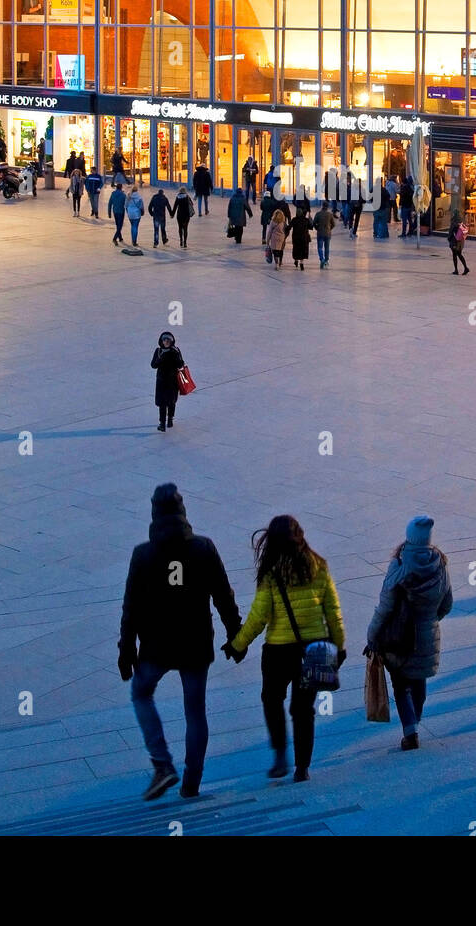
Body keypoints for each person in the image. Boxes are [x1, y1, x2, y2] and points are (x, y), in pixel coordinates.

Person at [118, 484, 242, 800]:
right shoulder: (204, 548)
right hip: (195, 642)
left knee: (141, 693)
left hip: (156, 644)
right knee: (195, 710)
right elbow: (223, 596)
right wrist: (235, 635)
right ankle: (191, 783)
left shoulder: (143, 554)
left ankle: (162, 765)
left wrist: (126, 649)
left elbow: (131, 606)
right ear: (183, 511)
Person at [226, 516, 346, 783]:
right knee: (304, 711)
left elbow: (259, 616)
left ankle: (280, 754)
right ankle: (302, 768)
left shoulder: (271, 574)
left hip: (278, 651)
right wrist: (338, 646)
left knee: (272, 699)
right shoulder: (320, 566)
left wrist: (237, 645)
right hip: (314, 649)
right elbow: (333, 613)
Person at [364, 516, 453, 751]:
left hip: (398, 639)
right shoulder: (440, 564)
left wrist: (372, 635)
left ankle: (410, 730)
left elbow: (385, 607)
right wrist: (428, 621)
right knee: (418, 681)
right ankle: (416, 720)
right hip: (426, 635)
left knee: (401, 686)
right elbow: (447, 604)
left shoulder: (399, 565)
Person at [151, 331, 185, 431]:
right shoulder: (158, 351)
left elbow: (181, 364)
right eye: (164, 340)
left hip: (173, 380)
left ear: (171, 341)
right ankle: (162, 423)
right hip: (161, 381)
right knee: (162, 403)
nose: (166, 342)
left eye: (168, 340)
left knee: (171, 401)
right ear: (161, 341)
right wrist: (160, 358)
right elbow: (153, 365)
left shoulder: (176, 350)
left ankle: (170, 419)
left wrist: (176, 356)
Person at [289, 205, 312, 271]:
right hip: (304, 238)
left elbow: (289, 227)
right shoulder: (306, 220)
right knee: (303, 250)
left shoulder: (294, 220)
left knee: (296, 250)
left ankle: (296, 260)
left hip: (296, 238)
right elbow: (311, 227)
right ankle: (301, 263)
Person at [447, 210, 470, 274]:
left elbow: (451, 232)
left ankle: (456, 270)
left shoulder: (454, 222)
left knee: (455, 255)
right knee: (459, 254)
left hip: (454, 241)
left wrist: (449, 239)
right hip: (461, 241)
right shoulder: (461, 221)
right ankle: (465, 268)